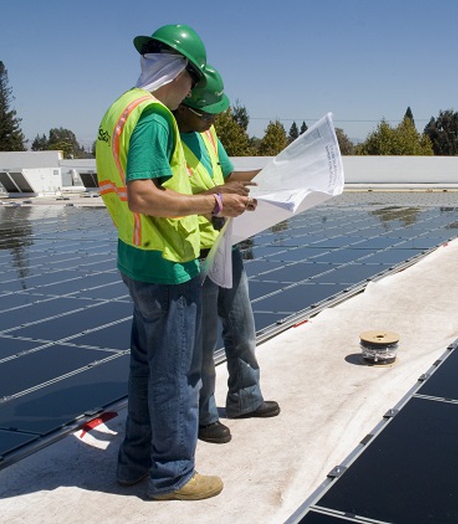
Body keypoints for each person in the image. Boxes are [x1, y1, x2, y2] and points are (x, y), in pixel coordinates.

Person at [95, 24, 250, 501]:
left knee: (145, 368)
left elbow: (141, 193)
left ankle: (133, 463)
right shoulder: (155, 115)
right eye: (193, 82)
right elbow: (144, 196)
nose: (192, 93)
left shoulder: (121, 107)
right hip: (166, 262)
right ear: (181, 72)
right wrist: (214, 206)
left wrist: (215, 194)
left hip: (136, 256)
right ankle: (172, 473)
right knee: (176, 374)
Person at [173, 65, 280, 445]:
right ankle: (202, 416)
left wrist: (275, 172)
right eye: (206, 114)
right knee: (202, 343)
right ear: (184, 105)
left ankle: (245, 397)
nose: (211, 121)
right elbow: (174, 198)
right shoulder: (168, 136)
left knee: (242, 325)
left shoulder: (207, 133)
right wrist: (216, 195)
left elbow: (230, 177)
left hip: (225, 242)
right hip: (195, 250)